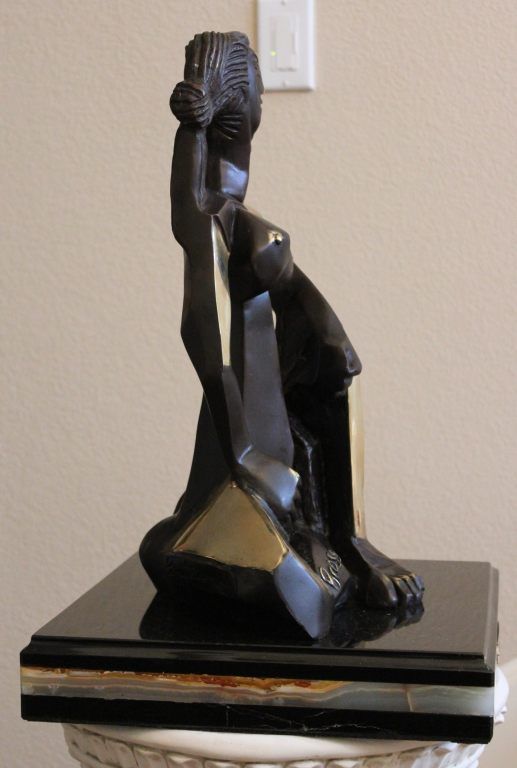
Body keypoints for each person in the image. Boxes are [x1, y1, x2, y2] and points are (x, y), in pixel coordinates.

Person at [140, 32, 423, 635]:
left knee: (338, 368)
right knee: (287, 572)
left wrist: (325, 329)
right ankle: (263, 538)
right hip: (247, 437)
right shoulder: (207, 216)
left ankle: (349, 540)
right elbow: (202, 324)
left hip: (273, 392)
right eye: (256, 94)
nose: (262, 104)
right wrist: (244, 454)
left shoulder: (233, 200)